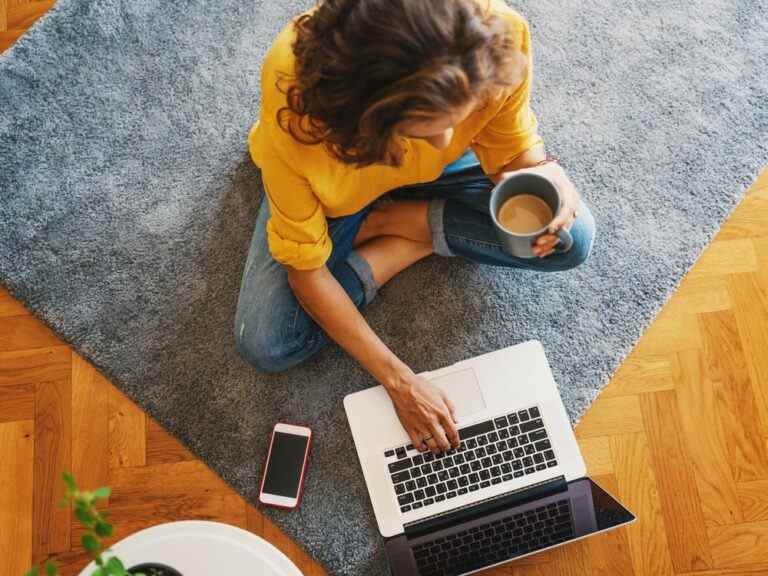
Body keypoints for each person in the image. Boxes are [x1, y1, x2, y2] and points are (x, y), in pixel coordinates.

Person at [235, 0, 595, 454]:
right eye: (424, 129)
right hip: (335, 185)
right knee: (268, 344)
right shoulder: (302, 109)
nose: (445, 143)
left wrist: (548, 176)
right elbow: (304, 272)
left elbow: (513, 152)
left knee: (570, 238)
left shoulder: (493, 35)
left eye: (458, 116)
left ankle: (408, 224)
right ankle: (417, 235)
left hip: (403, 166)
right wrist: (400, 381)